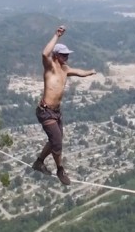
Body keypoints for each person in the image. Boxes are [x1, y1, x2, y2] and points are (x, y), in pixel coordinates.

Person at [32, 25, 97, 185]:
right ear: (56, 56)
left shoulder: (64, 69)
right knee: (57, 143)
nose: (67, 58)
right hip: (45, 112)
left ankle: (39, 162)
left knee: (56, 139)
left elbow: (79, 72)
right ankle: (60, 169)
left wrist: (90, 72)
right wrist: (57, 35)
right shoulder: (50, 67)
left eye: (67, 55)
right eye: (64, 55)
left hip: (56, 112)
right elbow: (44, 53)